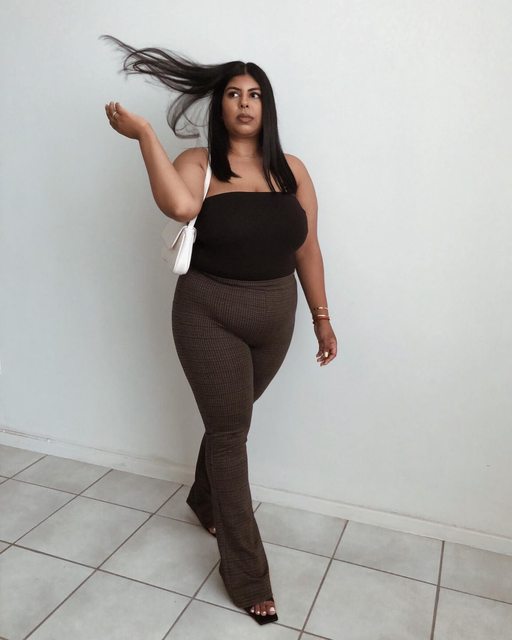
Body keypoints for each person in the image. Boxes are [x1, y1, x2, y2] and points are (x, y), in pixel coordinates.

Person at [101, 35, 337, 625]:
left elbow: (308, 248)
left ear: (267, 106)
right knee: (231, 434)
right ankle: (249, 575)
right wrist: (145, 135)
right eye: (233, 93)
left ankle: (203, 499)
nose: (244, 103)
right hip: (208, 312)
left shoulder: (293, 170)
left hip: (275, 319)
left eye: (255, 94)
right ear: (220, 105)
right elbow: (181, 208)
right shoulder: (199, 163)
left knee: (231, 420)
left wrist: (322, 318)